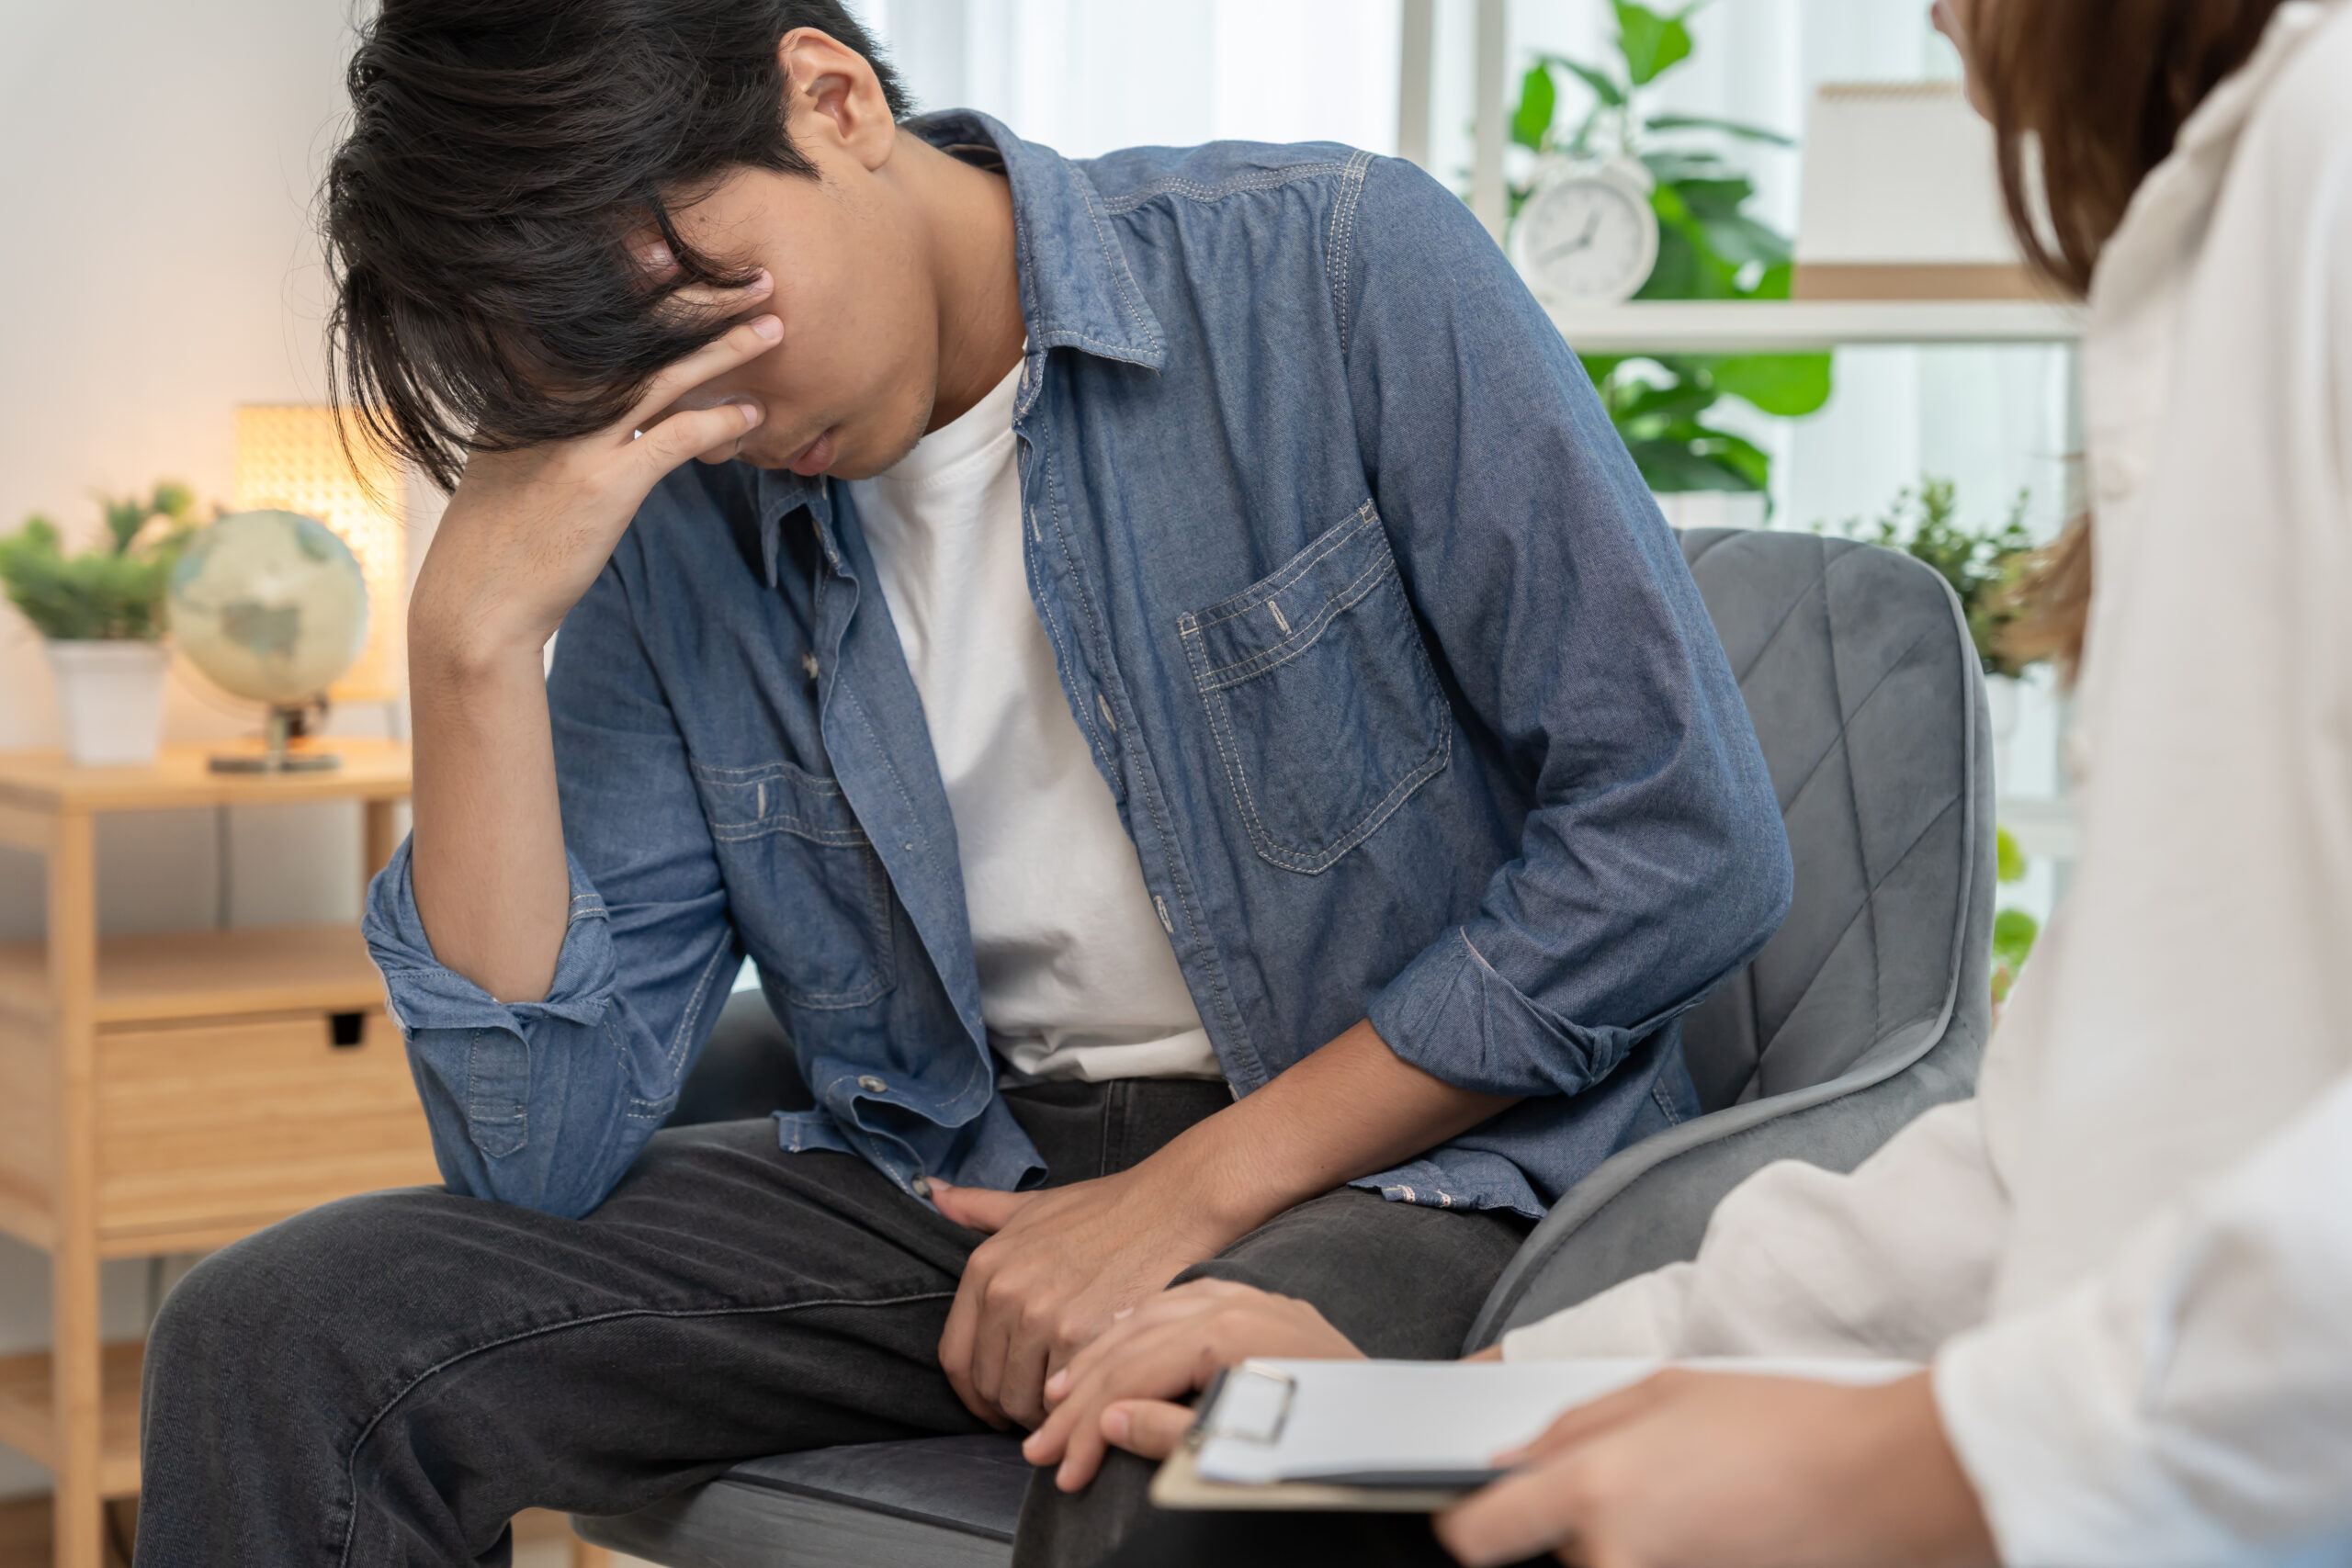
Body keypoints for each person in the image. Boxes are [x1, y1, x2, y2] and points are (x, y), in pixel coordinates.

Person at [130, 3, 1794, 1564]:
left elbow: (1683, 842)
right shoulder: (677, 503)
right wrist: (470, 646)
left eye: (700, 328)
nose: (710, 413)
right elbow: (535, 1153)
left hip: (1410, 1172)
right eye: (622, 380)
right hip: (963, 1185)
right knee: (279, 1334)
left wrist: (1183, 1195)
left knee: (1160, 1435)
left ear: (834, 101)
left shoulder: (1333, 266)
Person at [1023, 0, 2352, 1562]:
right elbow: (2045, 1170)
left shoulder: (2323, 164)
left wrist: (1903, 1467)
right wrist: (1463, 1405)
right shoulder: (2245, 220)